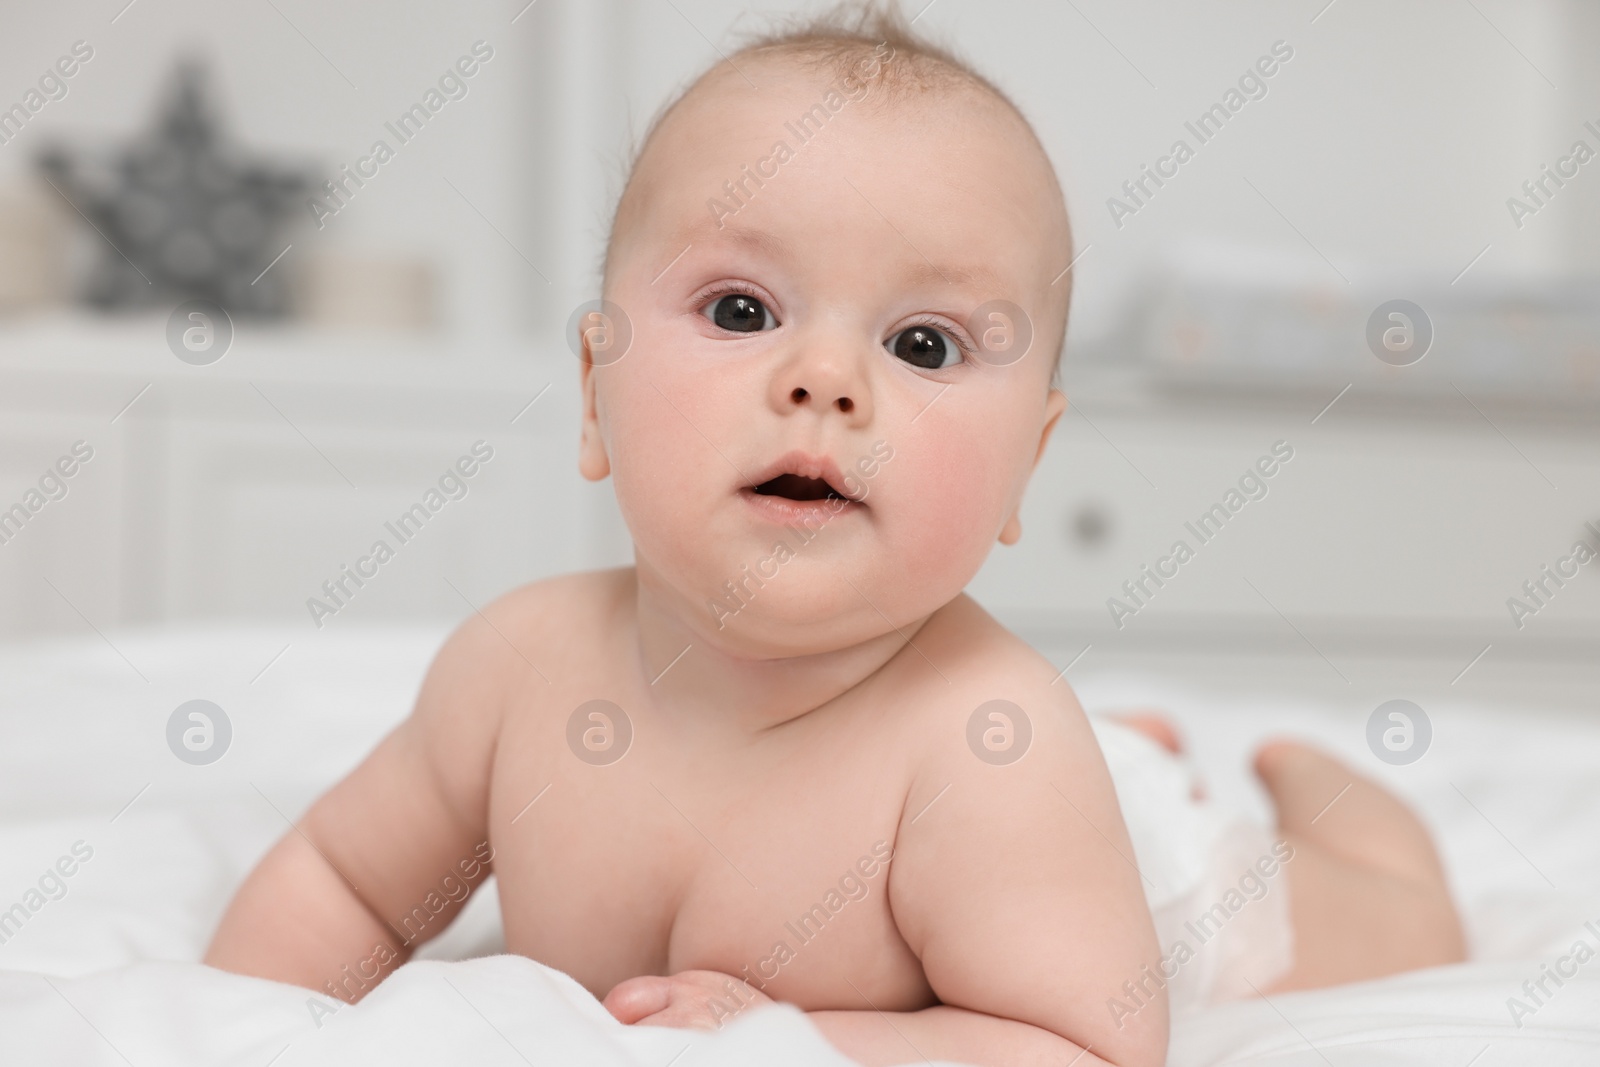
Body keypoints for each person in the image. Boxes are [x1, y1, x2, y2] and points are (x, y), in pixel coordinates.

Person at [205, 6, 1465, 1064]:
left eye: (923, 344)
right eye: (741, 306)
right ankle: (1141, 754)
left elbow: (1079, 1043)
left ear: (1028, 460)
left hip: (1137, 883)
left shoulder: (988, 742)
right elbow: (346, 881)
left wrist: (795, 1035)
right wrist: (239, 1018)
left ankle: (1347, 818)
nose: (823, 378)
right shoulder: (514, 671)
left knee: (1366, 924)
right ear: (593, 395)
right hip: (1040, 855)